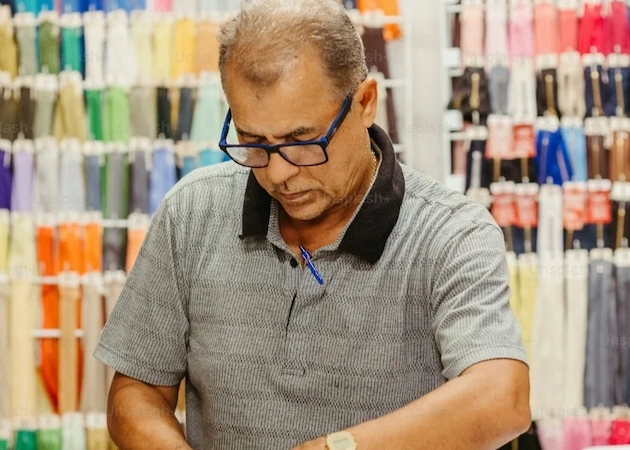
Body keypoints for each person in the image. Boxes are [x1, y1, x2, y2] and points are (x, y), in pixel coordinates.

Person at [94, 0, 531, 449]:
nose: (279, 173)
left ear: (365, 103)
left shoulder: (451, 235)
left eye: (302, 141)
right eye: (253, 142)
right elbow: (136, 392)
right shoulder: (192, 213)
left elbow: (502, 398)